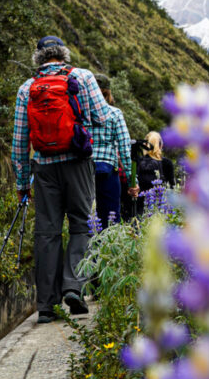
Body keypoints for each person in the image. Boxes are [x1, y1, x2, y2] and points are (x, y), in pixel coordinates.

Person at [11, 35, 110, 323]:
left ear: (38, 58)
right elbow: (102, 117)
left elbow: (20, 142)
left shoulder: (27, 88)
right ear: (63, 54)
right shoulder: (82, 77)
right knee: (81, 224)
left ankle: (45, 305)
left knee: (47, 233)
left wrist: (22, 183)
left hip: (44, 168)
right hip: (77, 163)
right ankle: (74, 287)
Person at [91, 74, 139, 228]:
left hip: (83, 172)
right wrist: (133, 182)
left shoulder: (81, 113)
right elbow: (125, 149)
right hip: (107, 172)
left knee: (86, 219)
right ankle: (107, 251)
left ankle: (87, 251)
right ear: (108, 92)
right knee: (111, 219)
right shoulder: (114, 113)